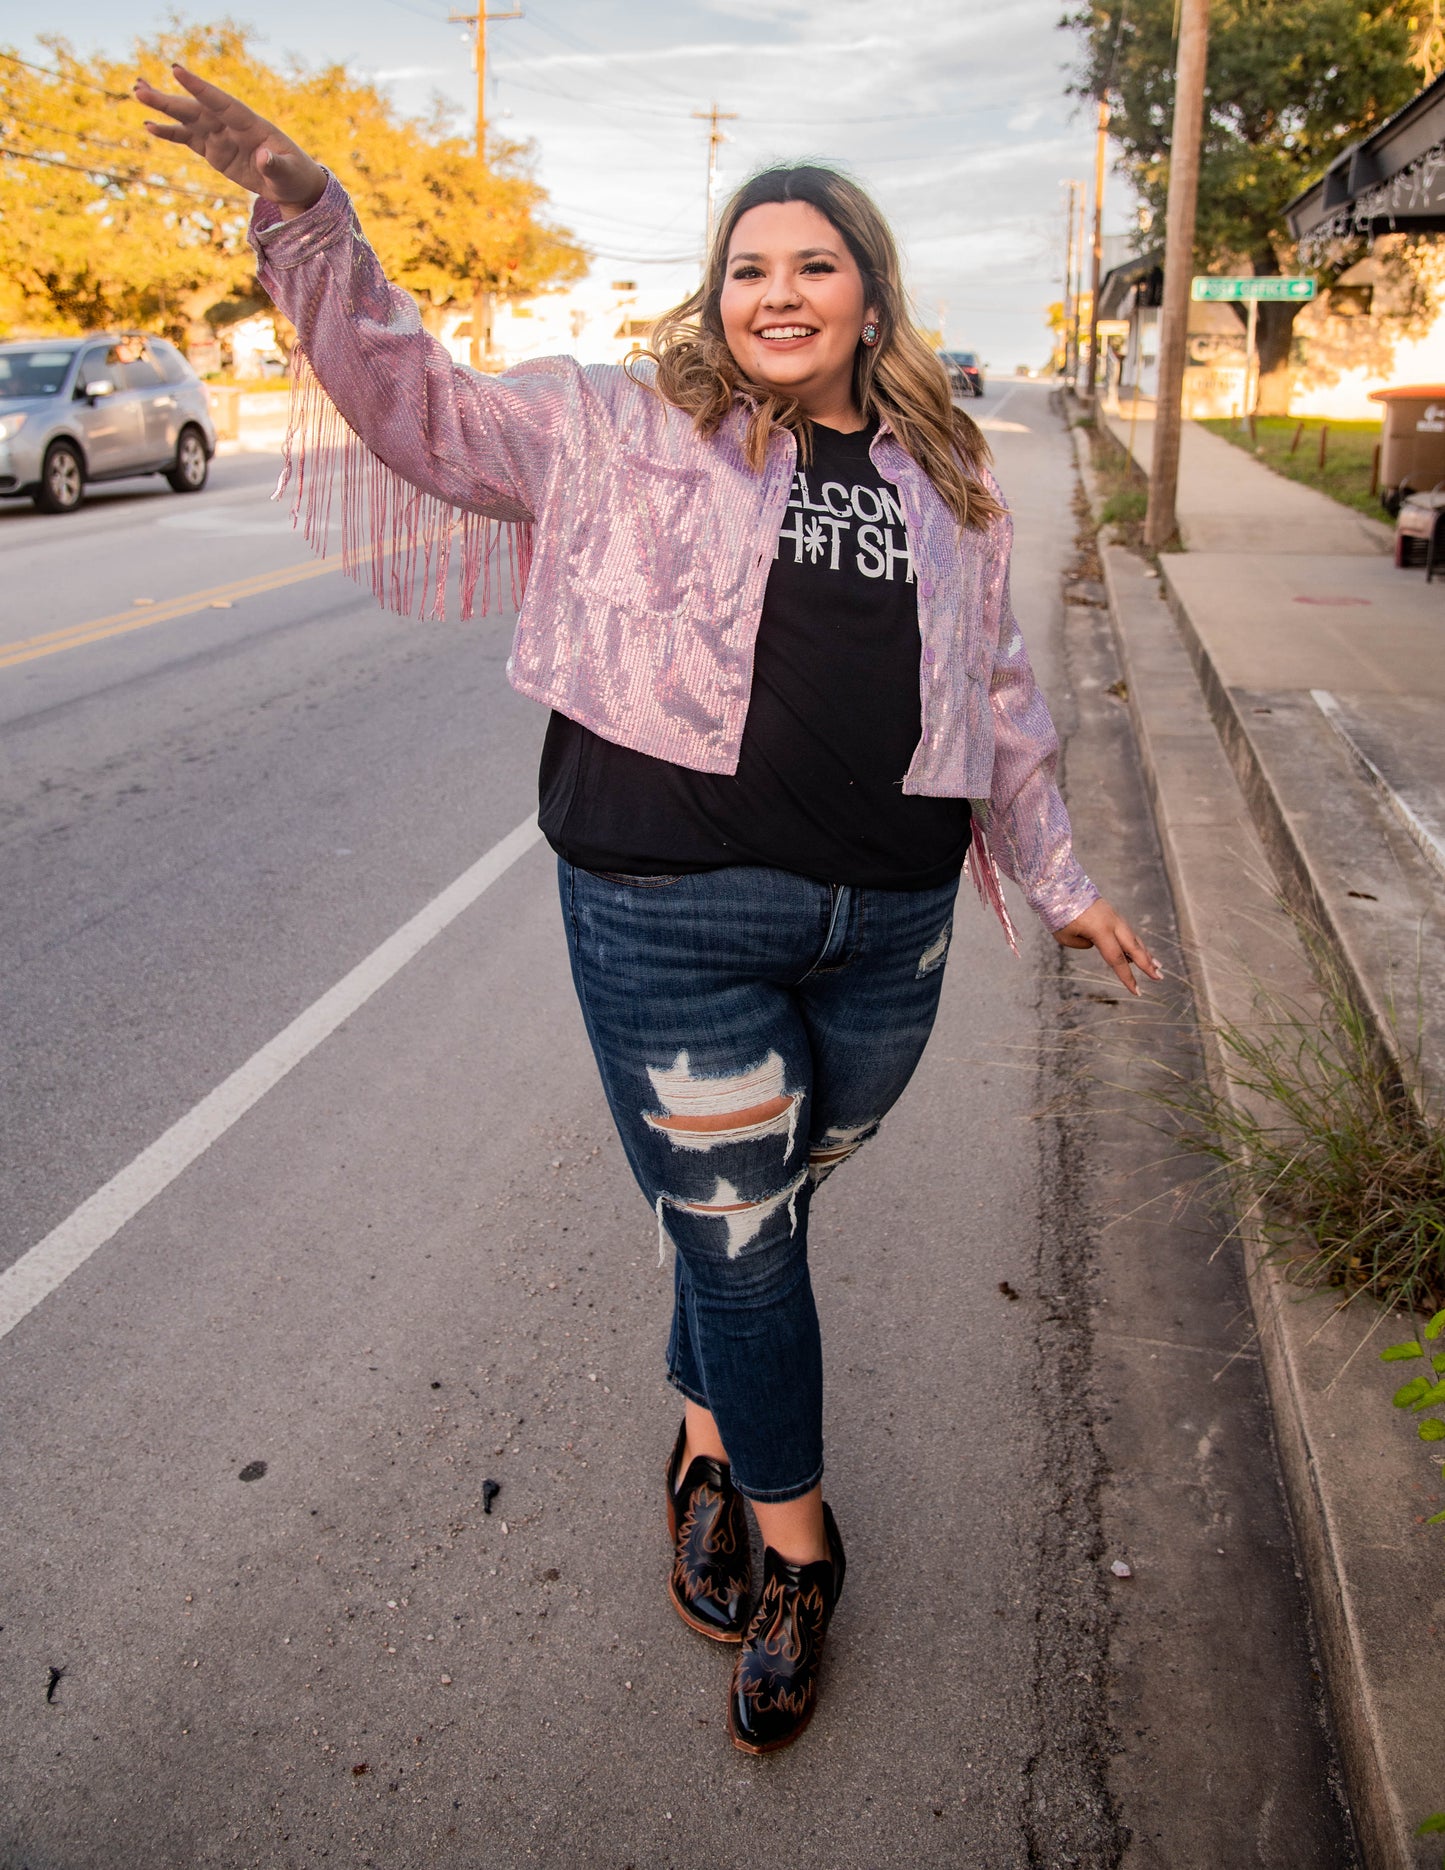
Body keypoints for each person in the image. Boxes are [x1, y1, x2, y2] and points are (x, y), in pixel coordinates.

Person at [137, 65, 1162, 1756]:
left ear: (868, 293)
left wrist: (1057, 883)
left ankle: (701, 1426)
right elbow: (417, 410)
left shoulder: (945, 468)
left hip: (886, 932)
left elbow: (996, 691)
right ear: (717, 293)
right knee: (746, 1242)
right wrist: (310, 215)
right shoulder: (616, 426)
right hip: (669, 908)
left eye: (812, 265)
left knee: (760, 1214)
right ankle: (794, 1543)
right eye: (748, 266)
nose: (777, 292)